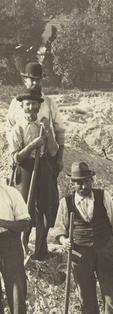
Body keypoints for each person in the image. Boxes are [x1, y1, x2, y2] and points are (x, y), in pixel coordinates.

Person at [52, 161, 113, 314]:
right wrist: (63, 240)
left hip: (104, 251)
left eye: (86, 181)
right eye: (79, 182)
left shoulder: (103, 197)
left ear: (92, 179)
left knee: (112, 296)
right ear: (73, 184)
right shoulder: (65, 203)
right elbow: (59, 230)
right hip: (79, 255)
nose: (83, 186)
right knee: (87, 298)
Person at [7, 87, 59, 260]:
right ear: (22, 107)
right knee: (25, 210)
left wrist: (49, 134)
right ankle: (23, 246)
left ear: (38, 106)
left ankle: (41, 250)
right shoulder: (18, 130)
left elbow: (52, 151)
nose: (31, 108)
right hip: (26, 170)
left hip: (43, 168)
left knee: (45, 209)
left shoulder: (44, 126)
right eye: (28, 104)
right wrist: (33, 145)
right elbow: (16, 158)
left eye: (34, 104)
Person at [5, 62, 65, 176]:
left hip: (46, 159)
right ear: (25, 80)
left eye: (38, 80)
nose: (35, 83)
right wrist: (12, 155)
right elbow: (9, 128)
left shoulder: (49, 103)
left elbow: (60, 131)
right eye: (32, 79)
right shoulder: (16, 103)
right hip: (23, 160)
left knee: (47, 192)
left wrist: (59, 158)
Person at [0, 181, 33, 314]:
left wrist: (2, 222)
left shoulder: (10, 193)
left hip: (9, 243)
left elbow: (24, 224)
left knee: (16, 290)